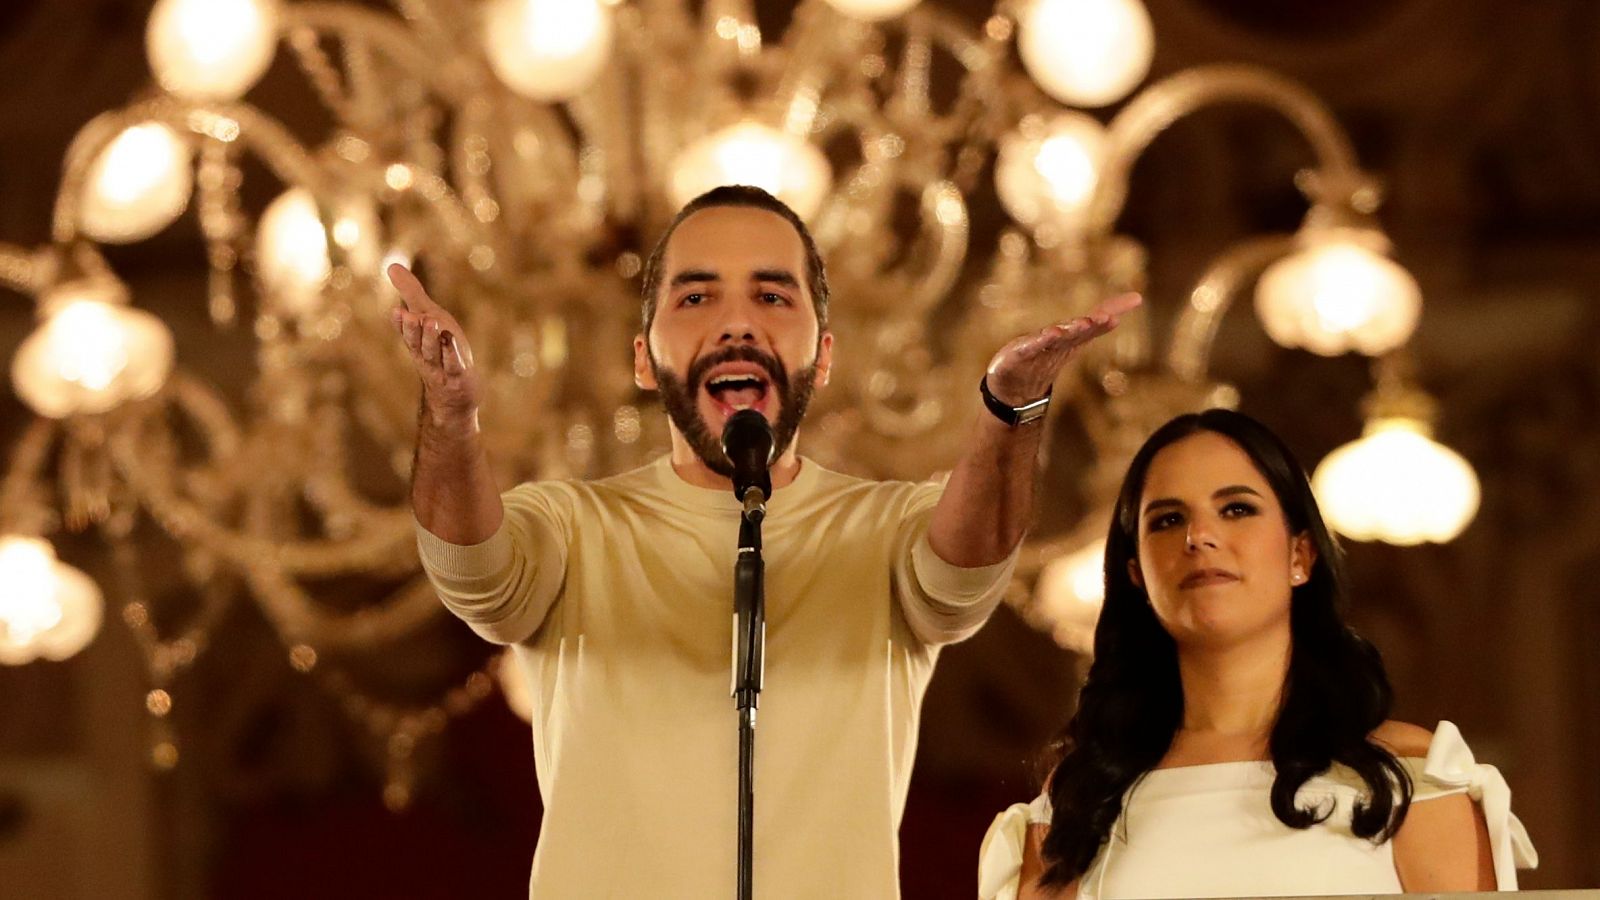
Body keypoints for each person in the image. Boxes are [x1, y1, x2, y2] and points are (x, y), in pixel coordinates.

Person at [387, 184, 1140, 897]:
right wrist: (451, 417)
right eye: (696, 296)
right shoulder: (573, 526)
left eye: (773, 296)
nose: (738, 323)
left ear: (826, 354)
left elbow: (961, 578)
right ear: (644, 358)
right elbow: (472, 573)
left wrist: (1012, 411)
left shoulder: (887, 529)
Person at [979, 408, 1539, 899]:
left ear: (1301, 554)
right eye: (1168, 520)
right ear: (1137, 575)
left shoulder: (1414, 774)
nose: (1199, 536)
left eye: (1237, 509)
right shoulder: (1083, 797)